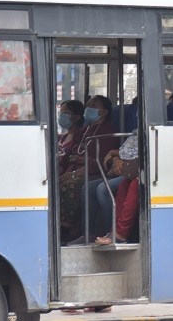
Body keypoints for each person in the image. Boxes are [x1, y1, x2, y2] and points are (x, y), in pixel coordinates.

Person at [59, 95, 119, 243]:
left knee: (70, 186)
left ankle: (71, 230)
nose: (89, 108)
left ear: (104, 112)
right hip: (75, 169)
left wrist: (72, 174)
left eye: (94, 105)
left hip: (94, 172)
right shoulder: (83, 131)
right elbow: (72, 153)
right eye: (88, 105)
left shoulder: (107, 131)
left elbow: (98, 162)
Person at [95, 129, 140, 247]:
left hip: (143, 172)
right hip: (131, 172)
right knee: (124, 184)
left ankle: (121, 233)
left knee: (135, 185)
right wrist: (116, 157)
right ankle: (114, 230)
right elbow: (125, 151)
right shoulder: (136, 132)